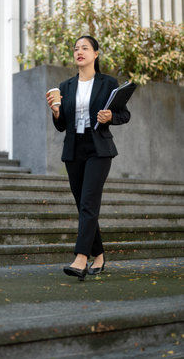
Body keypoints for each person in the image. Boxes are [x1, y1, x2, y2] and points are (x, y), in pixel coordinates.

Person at [46, 35, 131, 281]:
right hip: (74, 150)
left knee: (88, 203)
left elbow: (124, 114)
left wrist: (109, 118)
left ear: (96, 53)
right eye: (76, 49)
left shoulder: (107, 83)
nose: (79, 52)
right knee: (83, 206)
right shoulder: (65, 86)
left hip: (99, 149)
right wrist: (55, 112)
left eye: (85, 48)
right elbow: (61, 126)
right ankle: (100, 255)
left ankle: (81, 258)